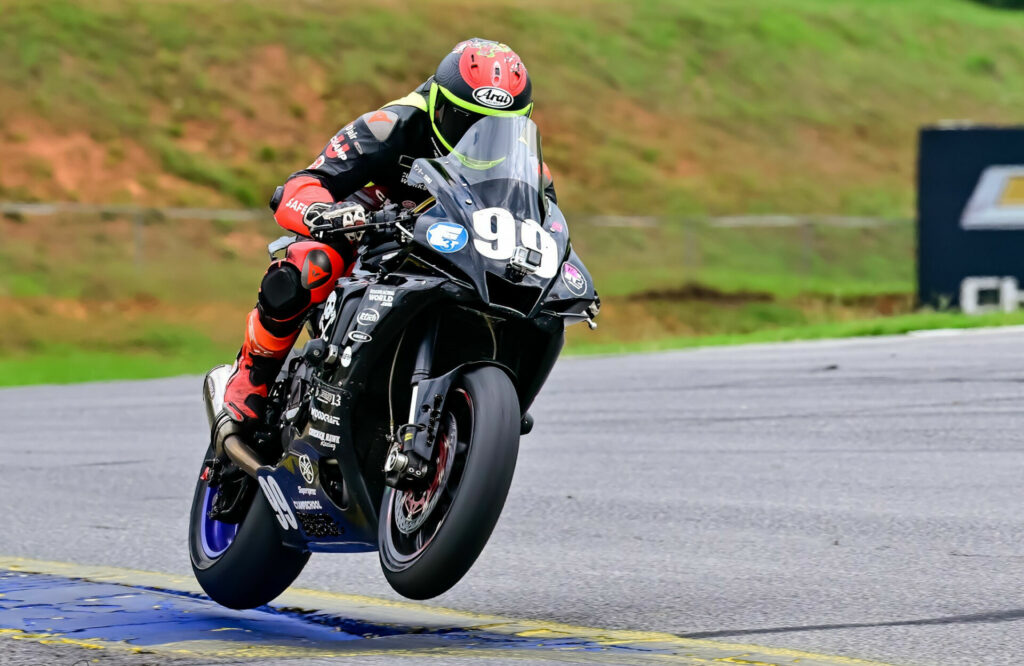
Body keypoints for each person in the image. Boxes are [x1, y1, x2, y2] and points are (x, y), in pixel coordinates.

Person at [222, 38, 556, 429]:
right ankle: (253, 375)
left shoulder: (525, 164)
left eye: (493, 126)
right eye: (464, 121)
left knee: (542, 309)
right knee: (312, 263)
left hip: (455, 253)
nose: (476, 136)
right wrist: (323, 210)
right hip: (369, 231)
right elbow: (303, 184)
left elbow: (542, 224)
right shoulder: (390, 126)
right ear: (436, 102)